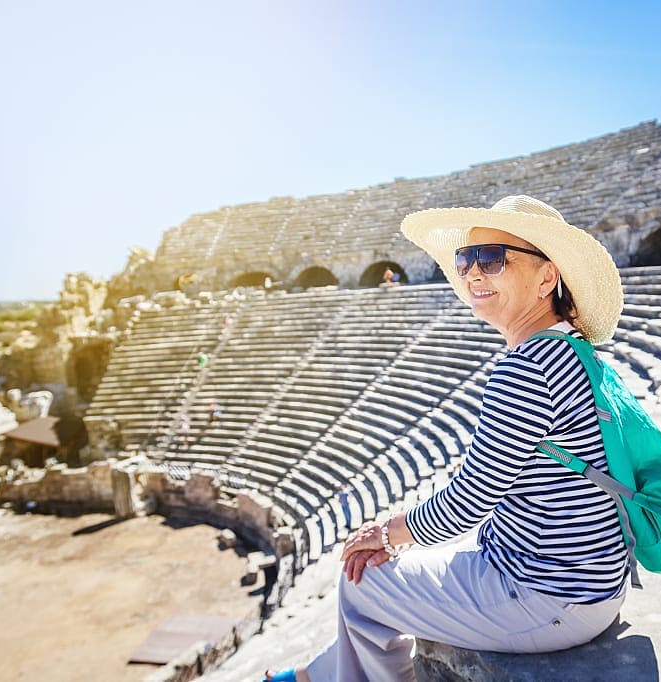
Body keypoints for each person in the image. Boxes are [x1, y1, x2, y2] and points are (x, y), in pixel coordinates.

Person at [264, 195, 628, 682]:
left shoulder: (526, 369)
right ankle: (317, 673)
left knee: (362, 583)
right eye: (466, 259)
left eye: (494, 258)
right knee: (406, 564)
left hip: (550, 598)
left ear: (547, 278)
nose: (474, 273)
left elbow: (471, 497)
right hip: (584, 583)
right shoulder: (570, 350)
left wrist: (386, 534)